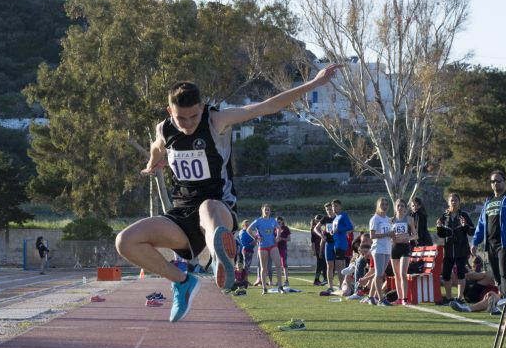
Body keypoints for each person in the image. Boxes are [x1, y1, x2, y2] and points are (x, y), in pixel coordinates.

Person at [115, 66, 341, 322]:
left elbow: (266, 106)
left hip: (219, 207)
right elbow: (157, 147)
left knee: (207, 208)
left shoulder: (216, 120)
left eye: (194, 116)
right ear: (170, 113)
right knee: (124, 241)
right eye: (181, 118)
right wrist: (152, 163)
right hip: (181, 215)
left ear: (202, 107)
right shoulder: (164, 129)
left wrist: (314, 83)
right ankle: (183, 282)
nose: (188, 124)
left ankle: (218, 258)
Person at [471, 169, 506, 298]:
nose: (495, 183)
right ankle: (502, 302)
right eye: (492, 181)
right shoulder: (488, 202)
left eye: (498, 181)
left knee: (505, 275)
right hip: (491, 244)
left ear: (504, 182)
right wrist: (475, 241)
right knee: (497, 276)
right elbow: (481, 223)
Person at [435, 192, 475, 304]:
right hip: (448, 250)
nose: (453, 202)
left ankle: (459, 298)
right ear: (448, 202)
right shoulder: (444, 216)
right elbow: (441, 235)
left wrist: (465, 226)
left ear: (459, 202)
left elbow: (472, 231)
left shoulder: (464, 215)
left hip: (461, 249)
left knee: (461, 273)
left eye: (456, 200)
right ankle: (449, 298)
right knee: (446, 274)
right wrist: (439, 228)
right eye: (451, 200)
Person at [250, 205, 283, 294]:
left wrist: (277, 237)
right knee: (264, 268)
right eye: (265, 210)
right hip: (263, 246)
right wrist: (256, 238)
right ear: (262, 211)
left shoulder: (273, 220)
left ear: (270, 211)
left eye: (268, 210)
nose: (267, 211)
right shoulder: (258, 221)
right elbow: (248, 229)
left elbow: (279, 228)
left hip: (273, 245)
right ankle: (264, 288)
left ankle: (280, 286)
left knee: (278, 265)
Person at [390, 199, 418, 305]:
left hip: (405, 247)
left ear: (406, 208)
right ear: (395, 207)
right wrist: (392, 238)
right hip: (394, 248)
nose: (400, 208)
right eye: (398, 206)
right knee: (396, 275)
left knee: (403, 274)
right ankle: (400, 298)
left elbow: (416, 235)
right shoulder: (391, 220)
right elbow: (388, 235)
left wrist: (409, 237)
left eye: (402, 206)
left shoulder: (409, 219)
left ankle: (405, 299)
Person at [368, 197, 394, 306]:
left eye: (386, 204)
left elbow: (390, 234)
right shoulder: (375, 219)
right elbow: (372, 235)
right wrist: (387, 234)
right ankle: (380, 299)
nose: (384, 206)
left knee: (378, 274)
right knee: (379, 274)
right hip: (378, 249)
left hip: (387, 249)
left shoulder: (388, 219)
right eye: (382, 204)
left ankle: (370, 297)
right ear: (378, 206)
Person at [326, 199, 354, 294]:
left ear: (340, 207)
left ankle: (343, 285)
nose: (334, 208)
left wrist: (339, 229)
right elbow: (336, 230)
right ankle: (343, 284)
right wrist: (332, 232)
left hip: (341, 243)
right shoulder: (336, 218)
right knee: (340, 266)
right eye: (333, 206)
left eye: (336, 206)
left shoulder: (343, 215)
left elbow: (350, 227)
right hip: (336, 243)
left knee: (340, 266)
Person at [275, 216, 291, 287]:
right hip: (275, 249)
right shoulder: (274, 228)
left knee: (284, 264)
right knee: (277, 265)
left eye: (279, 221)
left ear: (282, 221)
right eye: (277, 221)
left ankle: (286, 280)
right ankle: (279, 280)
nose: (278, 223)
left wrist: (282, 238)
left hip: (283, 248)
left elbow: (289, 239)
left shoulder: (286, 228)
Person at [310, 213, 326, 285]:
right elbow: (312, 241)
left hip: (324, 248)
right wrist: (314, 251)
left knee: (322, 264)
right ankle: (320, 279)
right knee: (321, 264)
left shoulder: (324, 228)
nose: (317, 222)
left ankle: (319, 279)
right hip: (318, 249)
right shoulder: (314, 230)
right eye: (317, 220)